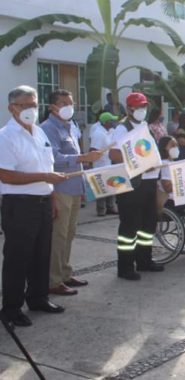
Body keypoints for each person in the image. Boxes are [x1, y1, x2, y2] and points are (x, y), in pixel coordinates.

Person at [0, 85, 68, 327]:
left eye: (34, 105)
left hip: (42, 202)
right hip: (19, 205)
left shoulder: (39, 133)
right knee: (18, 258)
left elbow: (47, 168)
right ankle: (11, 308)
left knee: (41, 254)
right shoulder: (5, 136)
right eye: (25, 105)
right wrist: (44, 179)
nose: (31, 109)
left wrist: (51, 198)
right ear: (12, 108)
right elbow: (6, 175)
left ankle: (38, 298)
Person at [40, 90, 103, 296]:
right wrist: (83, 157)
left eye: (71, 102)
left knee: (69, 233)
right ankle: (53, 280)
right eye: (64, 103)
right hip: (60, 189)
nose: (69, 106)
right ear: (52, 107)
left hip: (74, 187)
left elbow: (77, 157)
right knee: (58, 235)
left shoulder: (72, 126)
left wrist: (82, 186)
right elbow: (54, 158)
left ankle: (65, 273)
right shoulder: (47, 129)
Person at [109, 92, 164, 280]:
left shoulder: (144, 127)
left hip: (149, 182)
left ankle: (144, 260)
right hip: (132, 184)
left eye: (144, 107)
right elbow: (114, 155)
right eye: (138, 107)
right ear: (129, 108)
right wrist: (142, 163)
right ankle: (125, 267)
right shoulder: (122, 129)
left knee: (148, 224)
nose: (142, 110)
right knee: (129, 226)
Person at [90, 112, 119, 216]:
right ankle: (101, 209)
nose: (114, 122)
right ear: (106, 122)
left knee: (111, 187)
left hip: (109, 163)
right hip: (100, 165)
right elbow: (93, 150)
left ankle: (110, 207)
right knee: (101, 188)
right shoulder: (98, 133)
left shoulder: (109, 131)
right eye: (112, 120)